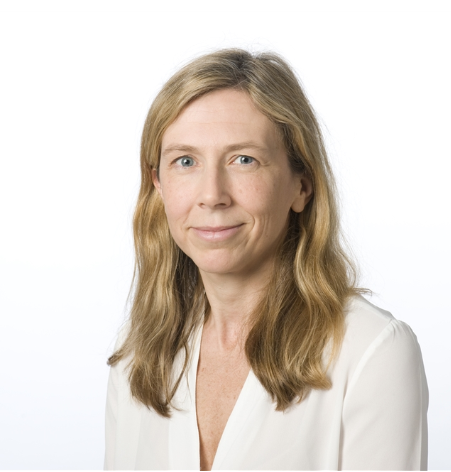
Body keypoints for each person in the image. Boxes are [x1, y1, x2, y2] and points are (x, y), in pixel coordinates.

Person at [104, 48, 428, 470]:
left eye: (244, 159)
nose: (212, 195)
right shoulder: (137, 357)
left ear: (301, 186)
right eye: (185, 161)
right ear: (158, 185)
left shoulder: (371, 352)